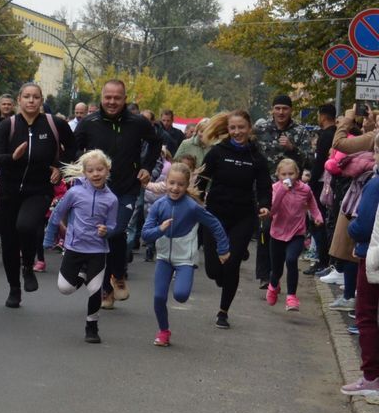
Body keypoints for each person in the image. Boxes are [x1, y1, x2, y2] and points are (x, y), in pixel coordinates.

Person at [72, 79, 161, 309]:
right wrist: (78, 171)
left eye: (117, 98)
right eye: (108, 97)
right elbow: (73, 147)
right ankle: (107, 288)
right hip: (95, 192)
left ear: (125, 98)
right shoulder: (88, 122)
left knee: (115, 230)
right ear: (102, 98)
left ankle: (118, 274)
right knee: (107, 235)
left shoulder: (138, 123)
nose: (112, 102)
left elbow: (155, 142)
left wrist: (147, 168)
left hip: (125, 189)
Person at [0, 82, 75, 308]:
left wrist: (60, 168)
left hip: (39, 190)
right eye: (26, 96)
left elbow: (74, 150)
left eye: (35, 97)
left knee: (26, 226)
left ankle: (28, 265)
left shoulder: (54, 125)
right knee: (9, 242)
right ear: (19, 100)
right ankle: (14, 289)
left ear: (41, 100)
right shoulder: (8, 125)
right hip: (9, 191)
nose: (31, 101)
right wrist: (12, 158)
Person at [142, 162, 230, 347]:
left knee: (181, 295)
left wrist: (223, 248)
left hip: (185, 259)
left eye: (180, 184)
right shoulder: (159, 205)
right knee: (159, 297)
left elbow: (214, 224)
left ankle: (182, 280)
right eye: (172, 183)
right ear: (166, 182)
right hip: (164, 258)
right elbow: (145, 233)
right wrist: (160, 229)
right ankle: (164, 331)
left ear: (187, 185)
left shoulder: (192, 207)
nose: (175, 188)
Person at [199, 110, 272, 329]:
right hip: (215, 215)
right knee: (214, 270)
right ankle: (222, 275)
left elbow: (264, 186)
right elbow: (202, 180)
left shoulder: (256, 157)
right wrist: (196, 199)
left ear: (249, 128)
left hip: (243, 217)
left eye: (241, 127)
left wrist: (264, 205)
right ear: (227, 130)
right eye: (233, 128)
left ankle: (223, 312)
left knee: (231, 265)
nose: (237, 132)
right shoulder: (217, 153)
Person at [42, 149, 119, 343]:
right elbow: (57, 215)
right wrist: (49, 239)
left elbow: (112, 224)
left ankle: (92, 327)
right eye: (91, 170)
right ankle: (82, 274)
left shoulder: (112, 199)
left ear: (107, 170)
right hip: (74, 247)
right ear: (84, 173)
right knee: (65, 288)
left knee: (94, 289)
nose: (96, 174)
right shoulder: (74, 193)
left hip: (97, 250)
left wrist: (106, 231)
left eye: (99, 169)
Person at [253, 94, 313, 288]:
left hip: (290, 192)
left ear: (291, 110)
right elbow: (250, 152)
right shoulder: (261, 129)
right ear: (272, 109)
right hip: (265, 188)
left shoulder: (300, 131)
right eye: (277, 108)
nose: (281, 112)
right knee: (265, 229)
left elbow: (309, 160)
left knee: (282, 234)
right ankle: (265, 275)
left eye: (284, 109)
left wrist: (292, 148)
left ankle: (276, 273)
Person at [343, 136, 379, 397]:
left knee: (366, 314)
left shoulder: (375, 184)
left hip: (373, 257)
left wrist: (352, 228)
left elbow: (363, 226)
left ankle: (371, 377)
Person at [265, 158, 323, 310]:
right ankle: (273, 285)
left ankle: (291, 297)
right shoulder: (276, 188)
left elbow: (312, 203)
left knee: (291, 260)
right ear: (278, 175)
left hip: (297, 232)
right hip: (277, 233)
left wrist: (317, 217)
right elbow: (273, 210)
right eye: (283, 174)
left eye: (291, 173)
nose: (287, 177)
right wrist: (282, 191)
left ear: (297, 173)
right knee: (276, 269)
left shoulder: (305, 189)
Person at [308, 104, 338, 275]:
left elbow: (319, 163)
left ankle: (322, 260)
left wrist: (311, 183)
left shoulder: (325, 135)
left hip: (321, 184)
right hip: (331, 183)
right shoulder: (338, 134)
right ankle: (326, 259)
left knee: (317, 221)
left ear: (322, 116)